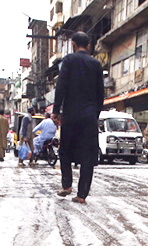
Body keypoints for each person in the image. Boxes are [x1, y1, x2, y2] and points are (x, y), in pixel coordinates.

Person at [53, 31, 104, 204]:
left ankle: (67, 184)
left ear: (73, 44)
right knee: (88, 156)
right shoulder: (96, 64)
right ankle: (82, 195)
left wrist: (56, 110)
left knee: (65, 149)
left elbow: (61, 86)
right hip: (89, 115)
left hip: (71, 114)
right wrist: (94, 114)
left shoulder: (69, 60)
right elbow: (100, 94)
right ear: (88, 46)